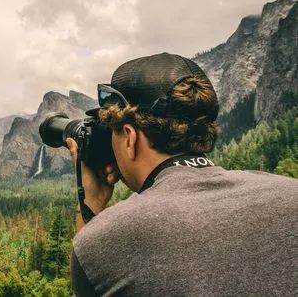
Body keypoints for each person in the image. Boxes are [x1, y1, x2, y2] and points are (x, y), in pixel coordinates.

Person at [66, 53, 297, 296]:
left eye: (113, 133)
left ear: (130, 137)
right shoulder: (292, 193)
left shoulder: (103, 240)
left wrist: (90, 203)